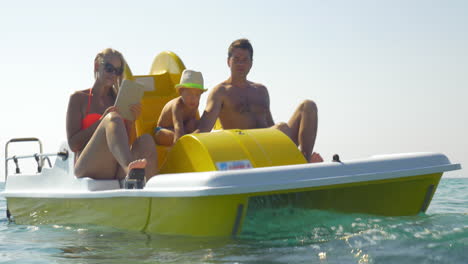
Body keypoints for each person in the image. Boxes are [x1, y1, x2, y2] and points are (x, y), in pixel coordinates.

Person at [196, 39, 323, 163]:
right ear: (228, 62)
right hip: (245, 148)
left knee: (308, 106)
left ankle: (305, 162)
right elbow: (204, 129)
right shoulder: (220, 92)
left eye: (245, 60)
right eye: (236, 59)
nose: (240, 64)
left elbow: (270, 125)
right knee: (282, 127)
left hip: (269, 146)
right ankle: (299, 161)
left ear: (251, 63)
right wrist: (181, 140)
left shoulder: (261, 90)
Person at [66, 48, 157, 181]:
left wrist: (131, 121)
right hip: (88, 167)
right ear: (97, 65)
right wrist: (102, 122)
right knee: (112, 118)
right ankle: (130, 170)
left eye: (118, 71)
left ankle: (151, 191)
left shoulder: (119, 100)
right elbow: (73, 144)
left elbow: (126, 144)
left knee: (146, 141)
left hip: (115, 167)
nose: (113, 74)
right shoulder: (79, 98)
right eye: (109, 68)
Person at [154, 69, 207, 146]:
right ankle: (181, 149)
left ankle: (187, 141)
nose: (193, 98)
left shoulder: (194, 104)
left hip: (182, 130)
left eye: (197, 95)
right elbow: (178, 128)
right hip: (163, 130)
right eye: (189, 93)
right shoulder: (177, 105)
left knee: (195, 123)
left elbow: (192, 123)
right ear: (181, 92)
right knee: (171, 136)